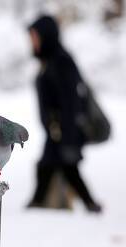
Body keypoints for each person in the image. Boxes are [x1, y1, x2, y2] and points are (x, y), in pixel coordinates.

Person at [26, 15, 102, 213]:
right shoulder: (49, 60)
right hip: (56, 131)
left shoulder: (61, 61)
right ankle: (39, 203)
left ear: (46, 36)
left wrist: (68, 137)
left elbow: (71, 102)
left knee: (63, 167)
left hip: (63, 131)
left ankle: (37, 204)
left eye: (35, 36)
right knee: (56, 167)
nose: (32, 41)